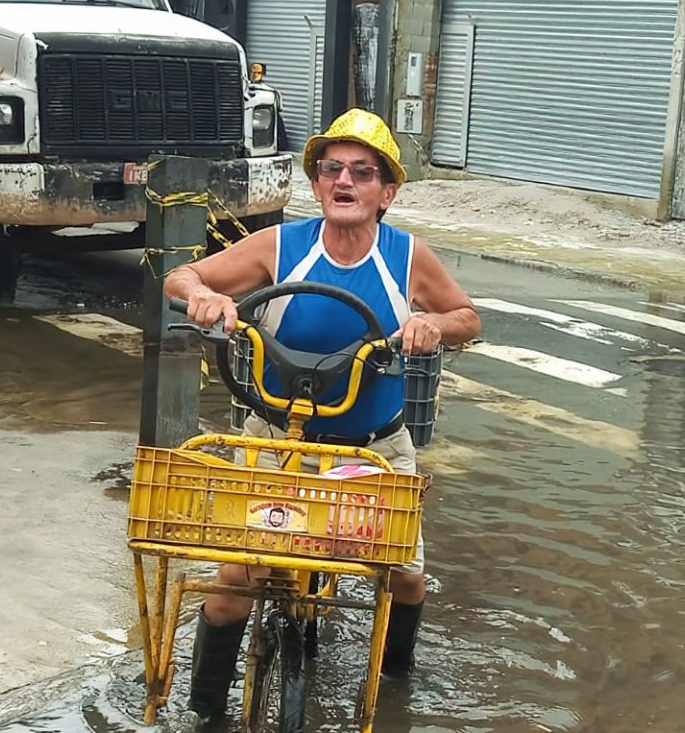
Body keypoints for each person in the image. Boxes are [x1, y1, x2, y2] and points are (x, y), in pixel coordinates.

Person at [164, 107, 481, 729]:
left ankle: (394, 688)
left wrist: (430, 323)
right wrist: (201, 293)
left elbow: (467, 317)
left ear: (387, 192)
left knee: (407, 581)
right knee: (232, 586)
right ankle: (204, 713)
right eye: (332, 169)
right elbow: (183, 273)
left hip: (373, 449)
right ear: (315, 186)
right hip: (275, 440)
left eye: (364, 173)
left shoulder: (408, 256)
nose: (345, 182)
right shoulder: (283, 245)